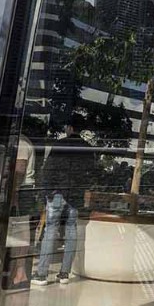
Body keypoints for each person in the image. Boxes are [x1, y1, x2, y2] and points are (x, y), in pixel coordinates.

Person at [32, 117, 98, 286]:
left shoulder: (60, 144)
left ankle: (42, 274)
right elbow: (91, 173)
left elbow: (49, 169)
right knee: (71, 231)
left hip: (57, 194)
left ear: (70, 127)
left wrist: (47, 192)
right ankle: (64, 273)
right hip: (75, 195)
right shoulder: (88, 149)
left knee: (50, 231)